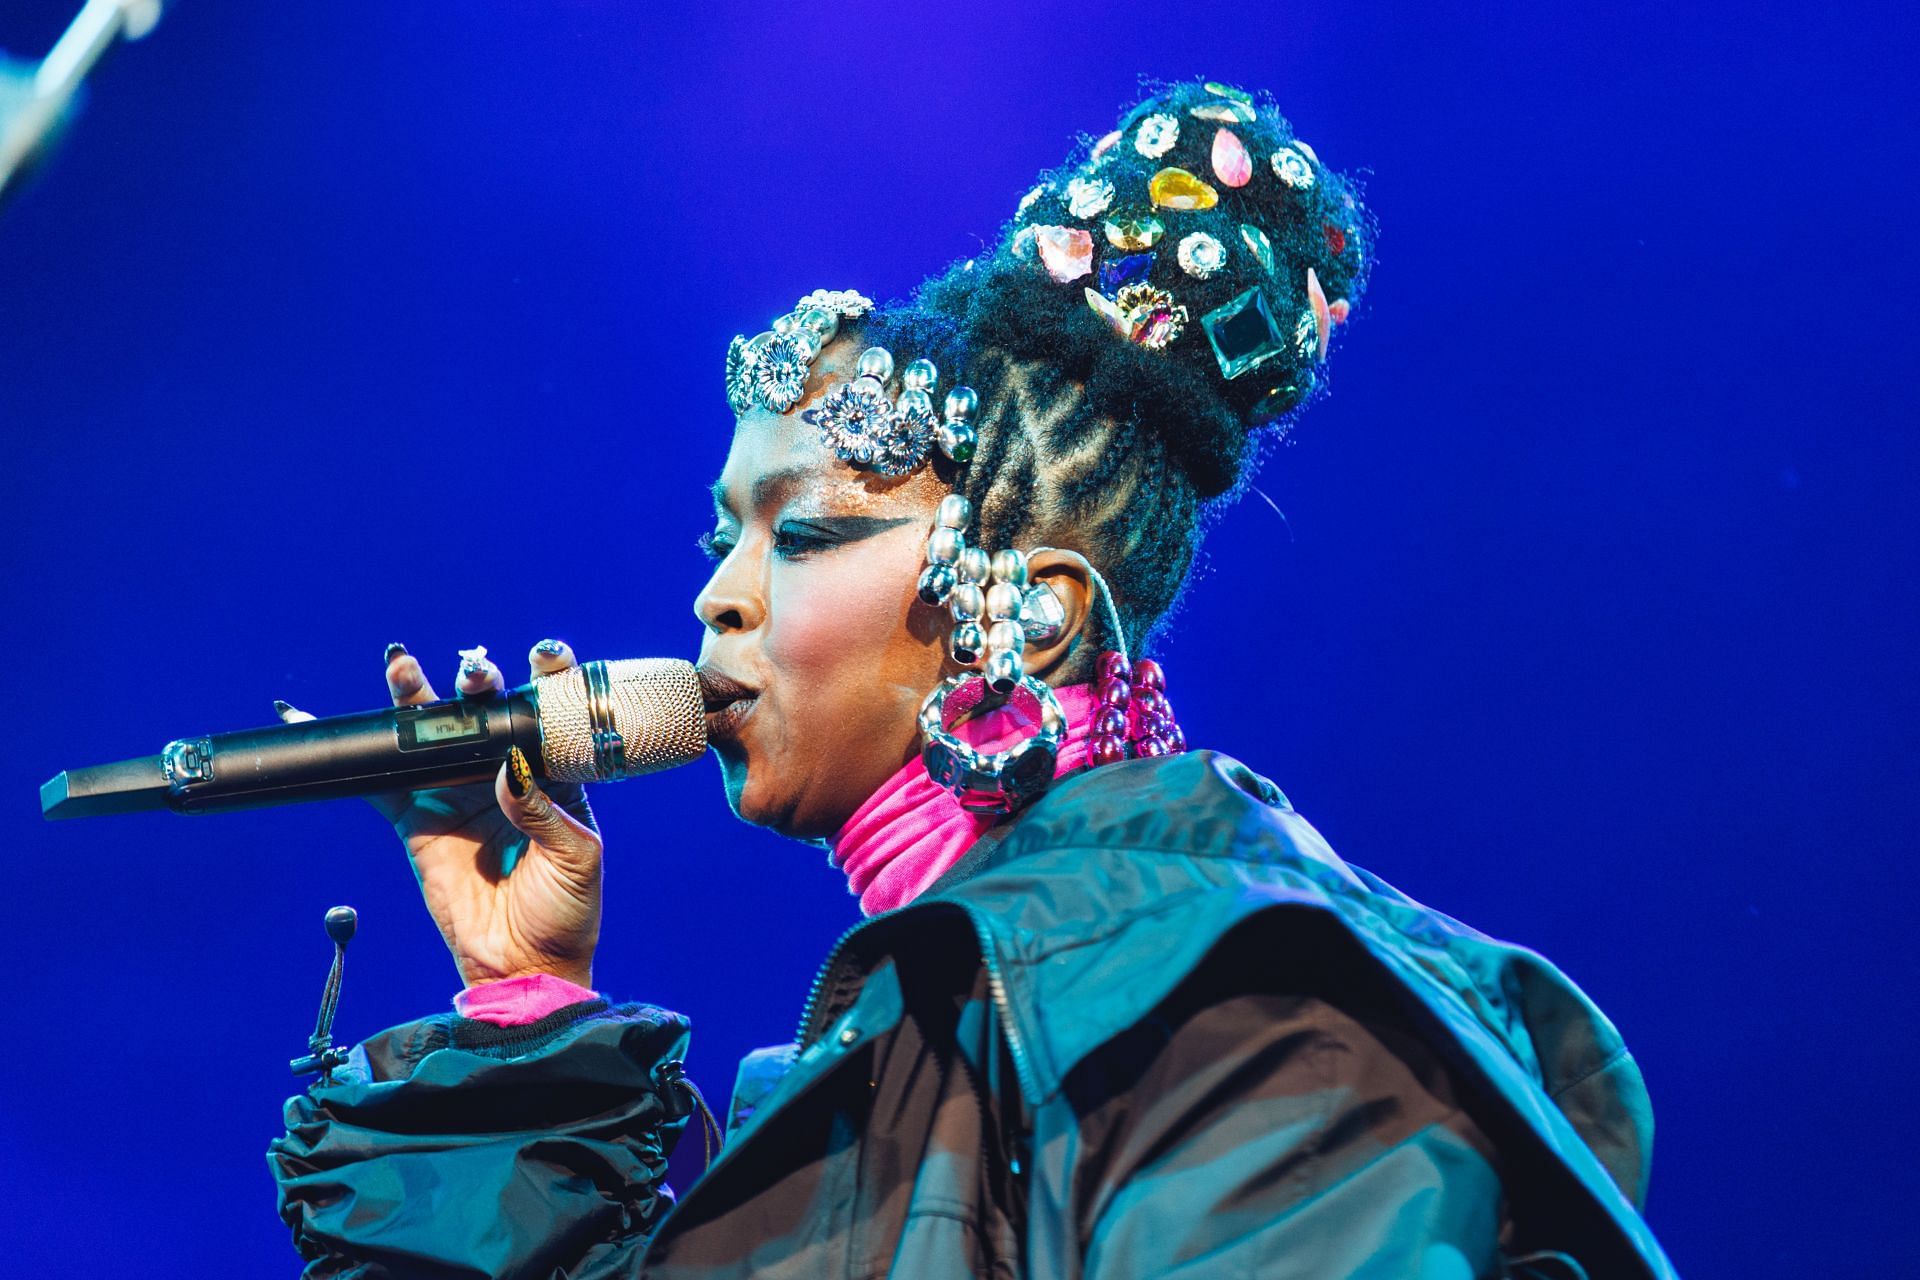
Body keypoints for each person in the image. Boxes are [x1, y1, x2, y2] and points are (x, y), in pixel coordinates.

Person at [269, 79, 1676, 1279]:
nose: (717, 593)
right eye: (723, 533)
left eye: (803, 530)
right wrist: (527, 1013)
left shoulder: (1252, 1025)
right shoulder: (902, 1050)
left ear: (1044, 616)